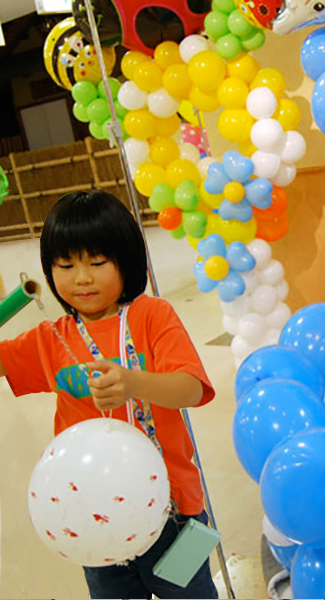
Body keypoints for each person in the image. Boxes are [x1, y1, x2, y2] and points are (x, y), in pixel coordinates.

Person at [0, 190, 218, 599]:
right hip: (93, 523)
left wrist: (134, 382)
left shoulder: (151, 316)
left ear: (126, 261)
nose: (81, 278)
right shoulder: (51, 338)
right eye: (65, 265)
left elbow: (191, 388)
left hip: (174, 515)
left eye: (97, 262)